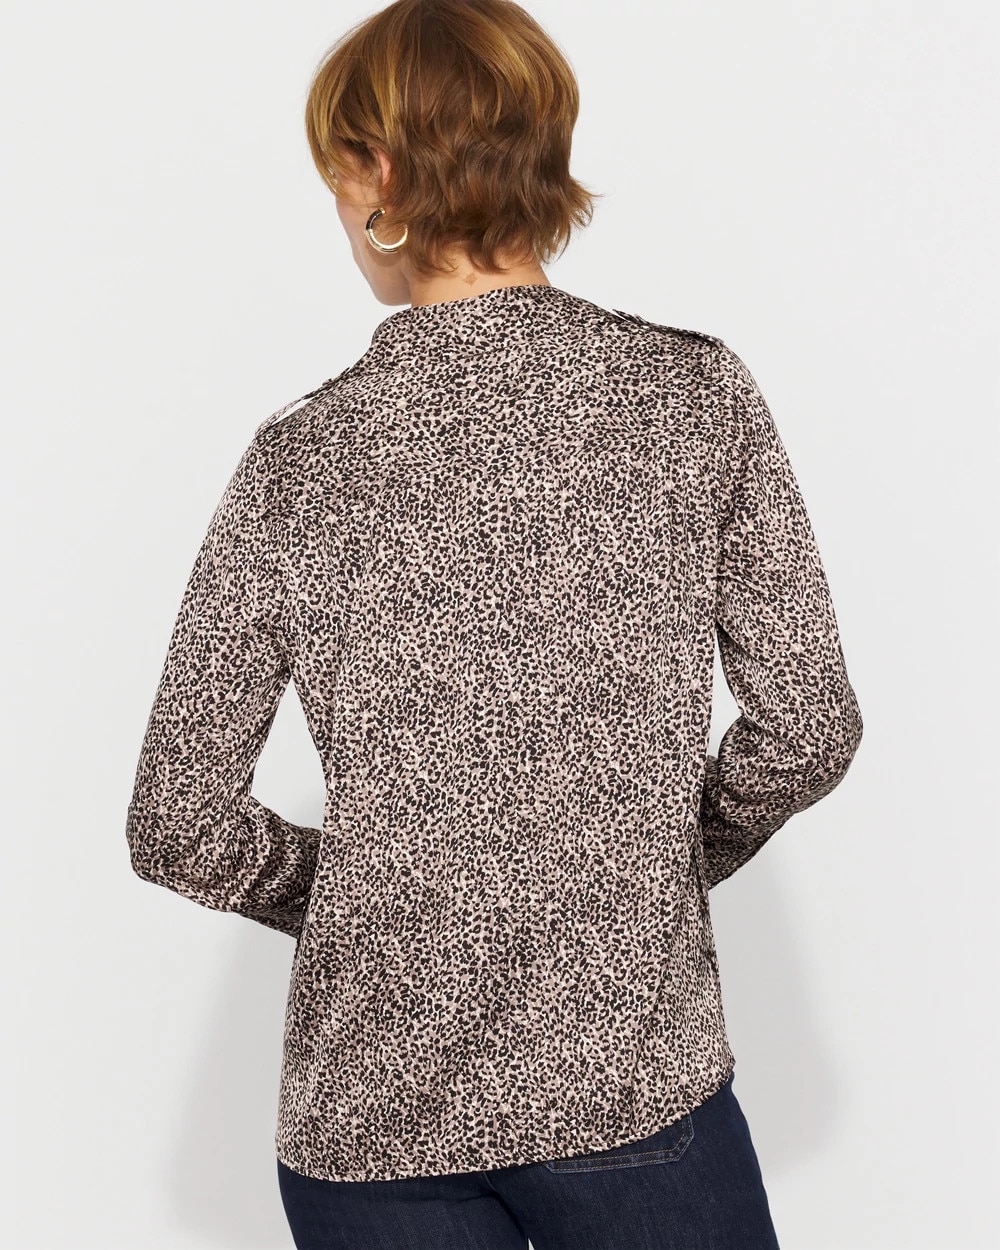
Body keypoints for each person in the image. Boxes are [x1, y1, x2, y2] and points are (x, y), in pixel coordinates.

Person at [125, 1, 863, 1246]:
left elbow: (174, 822)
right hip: (626, 1081)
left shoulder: (299, 459)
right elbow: (809, 726)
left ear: (378, 174)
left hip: (368, 1125)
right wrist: (639, 869)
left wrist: (367, 894)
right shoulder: (691, 396)